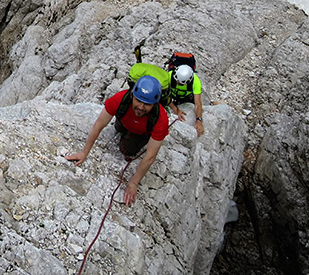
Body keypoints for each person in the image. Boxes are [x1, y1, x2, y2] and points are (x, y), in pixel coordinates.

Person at [64, 76, 170, 205]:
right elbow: (98, 125)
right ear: (132, 95)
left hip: (142, 132)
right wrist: (84, 153)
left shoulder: (160, 119)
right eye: (138, 101)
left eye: (147, 104)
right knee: (118, 128)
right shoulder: (120, 100)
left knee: (129, 149)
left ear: (154, 104)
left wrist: (133, 183)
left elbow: (150, 156)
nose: (141, 107)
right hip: (124, 122)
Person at [169, 64, 205, 136]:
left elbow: (197, 103)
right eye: (177, 81)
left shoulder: (195, 82)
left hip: (186, 98)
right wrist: (175, 109)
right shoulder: (169, 76)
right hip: (172, 96)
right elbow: (163, 95)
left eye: (181, 84)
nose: (178, 84)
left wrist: (199, 120)